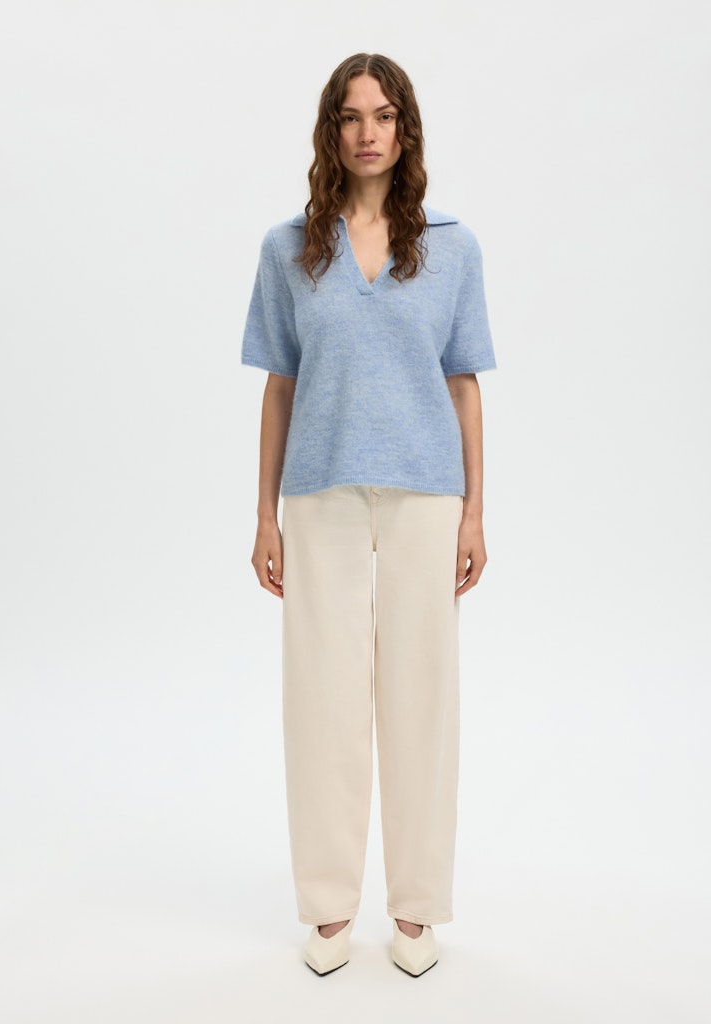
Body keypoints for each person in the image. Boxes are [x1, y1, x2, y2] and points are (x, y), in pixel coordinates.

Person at [241, 52, 496, 977]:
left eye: (384, 116)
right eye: (351, 117)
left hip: (428, 493)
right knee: (323, 699)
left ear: (404, 128)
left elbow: (463, 383)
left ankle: (417, 908)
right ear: (331, 131)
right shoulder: (288, 249)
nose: (367, 132)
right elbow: (280, 386)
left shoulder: (453, 248)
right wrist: (264, 516)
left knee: (422, 694)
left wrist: (474, 513)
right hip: (320, 493)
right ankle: (328, 905)